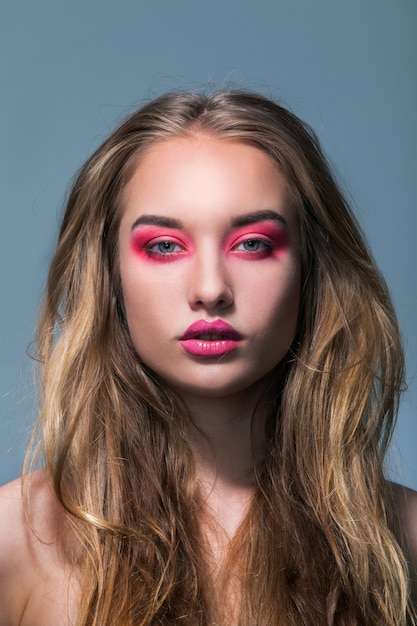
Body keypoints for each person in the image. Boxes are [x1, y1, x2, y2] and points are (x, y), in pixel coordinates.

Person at [0, 90, 416, 626]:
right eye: (165, 246)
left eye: (252, 244)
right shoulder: (15, 541)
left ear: (313, 271)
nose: (211, 289)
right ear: (110, 276)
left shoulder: (401, 545)